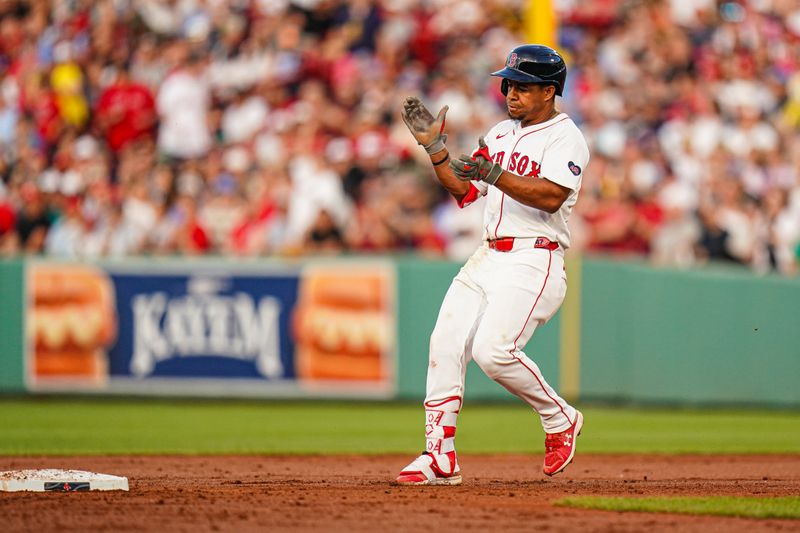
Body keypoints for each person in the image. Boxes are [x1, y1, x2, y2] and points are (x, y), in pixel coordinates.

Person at [396, 45, 590, 485]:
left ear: (550, 91)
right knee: (444, 343)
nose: (512, 93)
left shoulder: (566, 136)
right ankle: (439, 457)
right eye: (509, 84)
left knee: (492, 351)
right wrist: (436, 149)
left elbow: (551, 195)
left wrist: (494, 174)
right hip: (487, 256)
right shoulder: (501, 133)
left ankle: (559, 418)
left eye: (523, 85)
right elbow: (464, 191)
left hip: (534, 256)